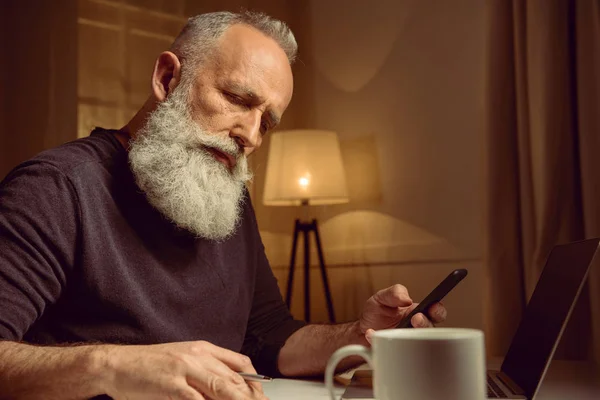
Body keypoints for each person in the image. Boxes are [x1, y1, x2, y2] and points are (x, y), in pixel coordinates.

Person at [0, 10, 447, 400]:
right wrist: (115, 367)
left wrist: (360, 337)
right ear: (167, 79)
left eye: (266, 123)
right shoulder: (56, 188)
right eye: (237, 98)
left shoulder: (226, 198)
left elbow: (270, 336)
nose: (250, 136)